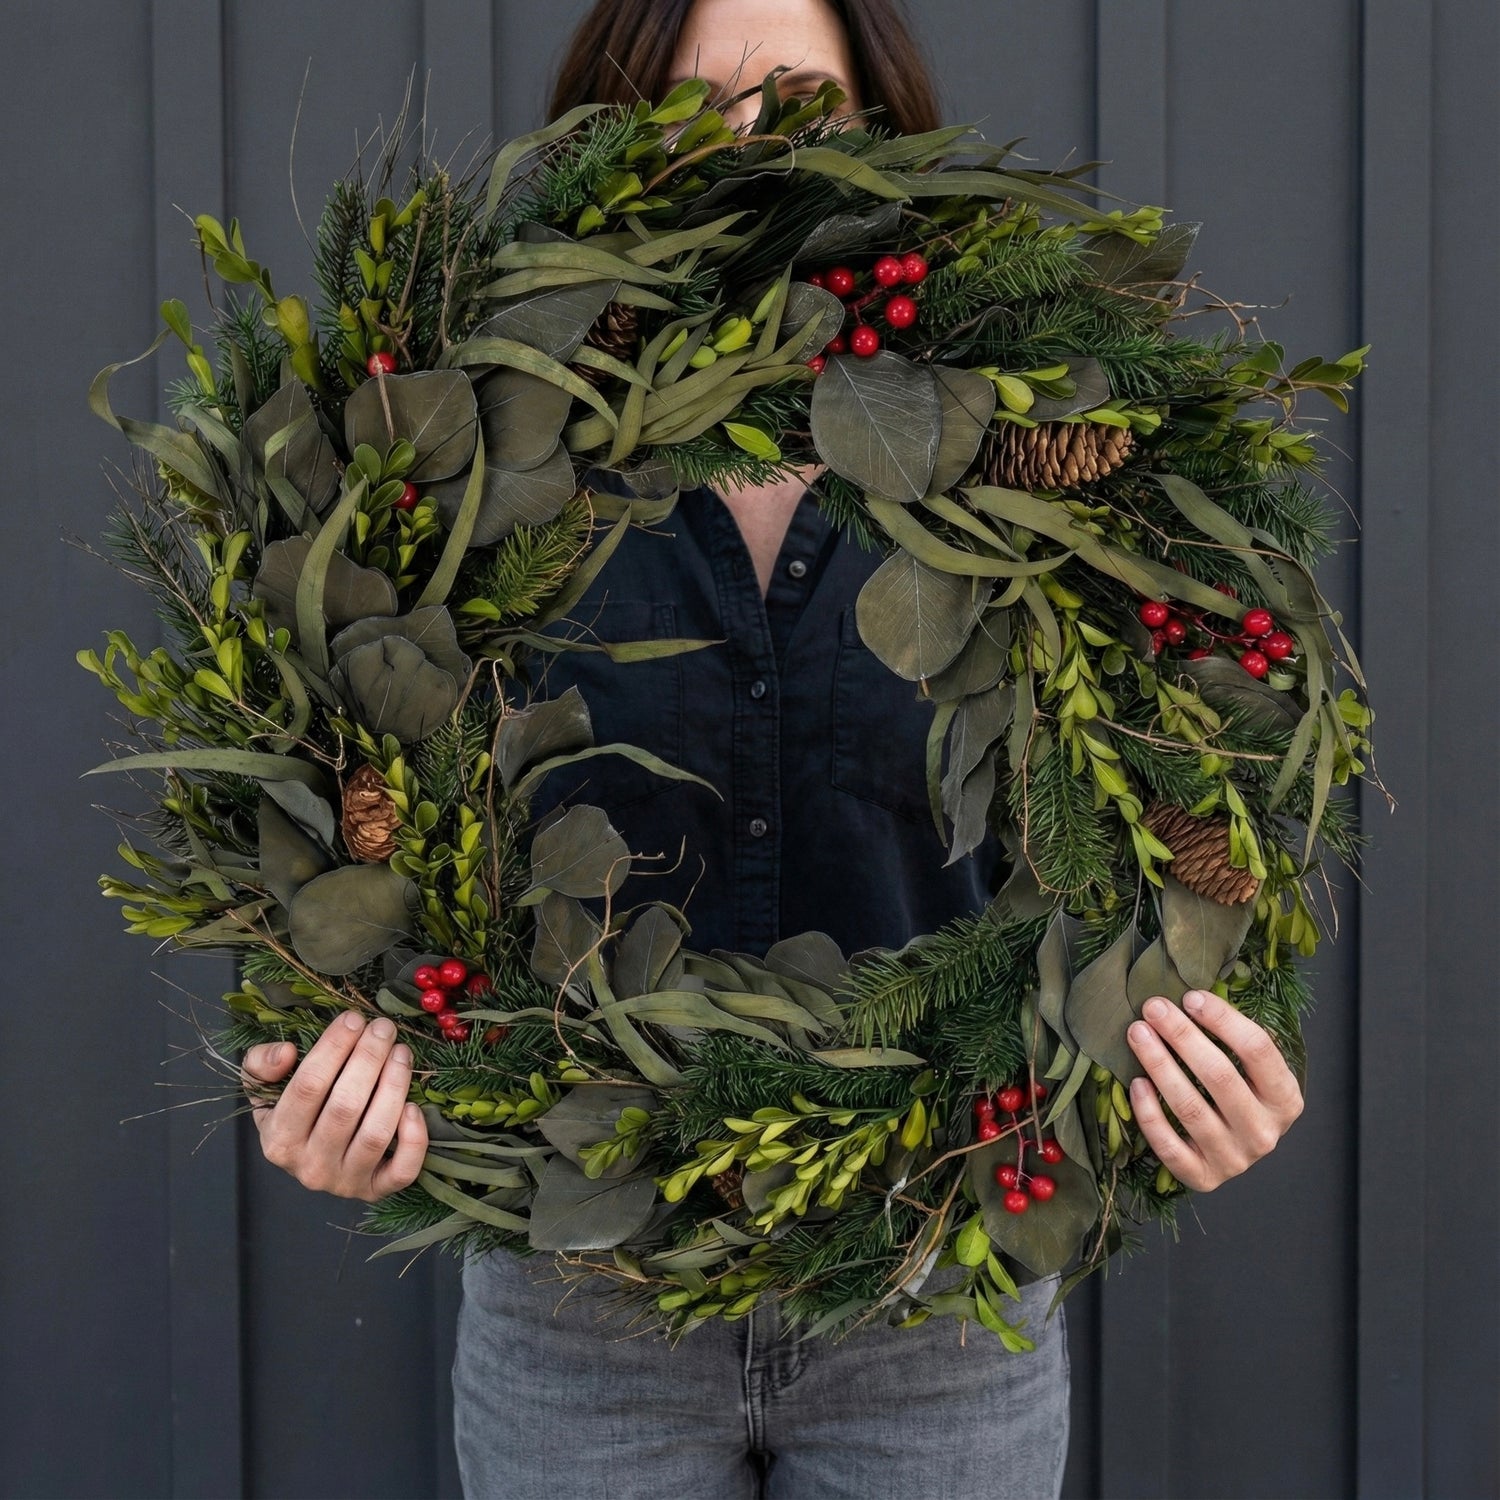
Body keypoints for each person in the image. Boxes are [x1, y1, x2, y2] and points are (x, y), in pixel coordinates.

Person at [241, 3, 1306, 1495]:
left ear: (887, 133)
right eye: (695, 104)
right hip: (579, 1316)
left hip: (935, 1297)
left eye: (802, 100)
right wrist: (348, 1074)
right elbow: (353, 791)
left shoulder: (1031, 451)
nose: (752, 146)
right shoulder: (481, 464)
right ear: (607, 137)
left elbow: (1155, 801)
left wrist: (1182, 1053)